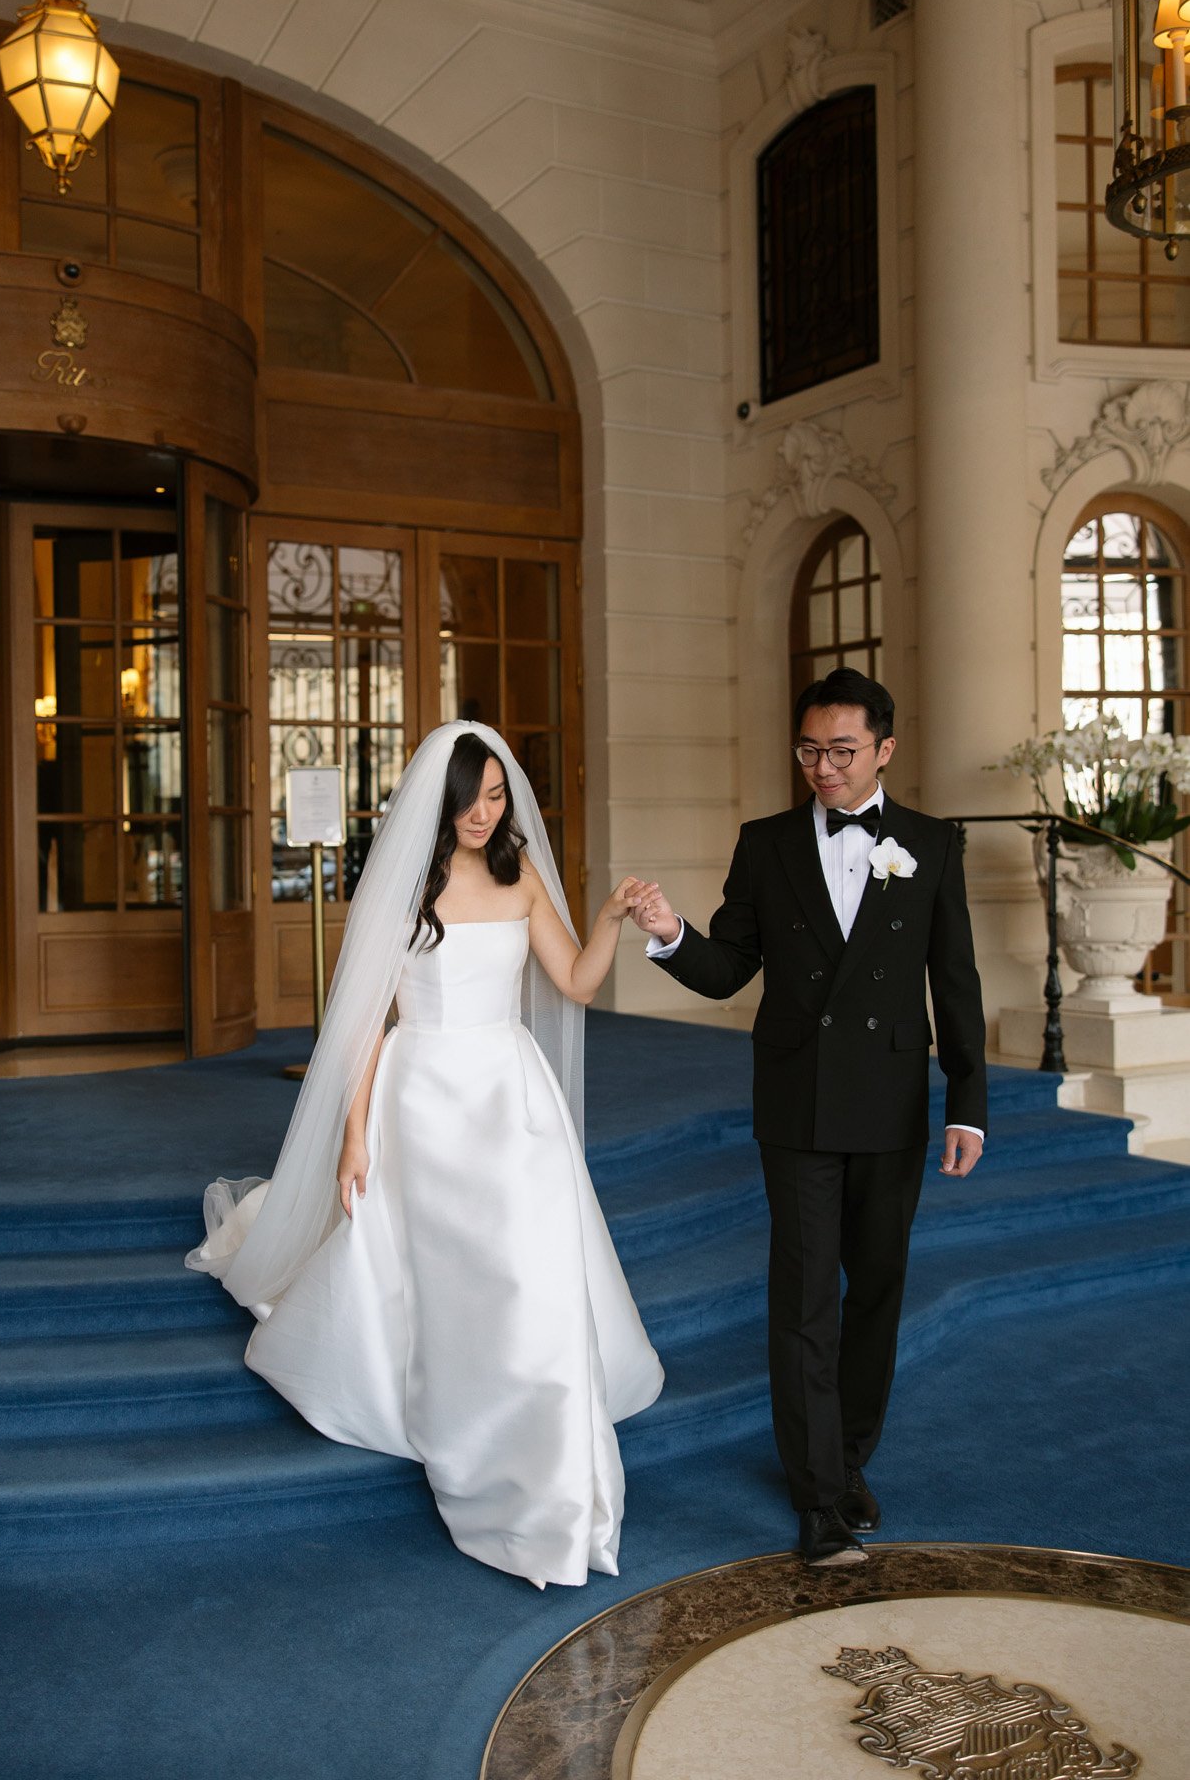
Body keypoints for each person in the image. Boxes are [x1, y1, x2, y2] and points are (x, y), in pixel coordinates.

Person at [187, 721, 663, 1588]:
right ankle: (462, 1412)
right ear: (437, 804)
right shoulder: (401, 891)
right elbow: (367, 1024)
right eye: (469, 799)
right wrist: (353, 1135)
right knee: (438, 1261)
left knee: (526, 1267)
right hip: (423, 1095)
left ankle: (543, 1438)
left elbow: (578, 983)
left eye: (495, 798)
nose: (483, 814)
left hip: (510, 1094)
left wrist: (605, 919)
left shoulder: (519, 883)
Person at [633, 667, 986, 1568]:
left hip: (892, 1100)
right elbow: (727, 970)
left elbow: (955, 982)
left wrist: (969, 1106)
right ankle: (818, 1497)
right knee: (801, 1302)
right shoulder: (766, 843)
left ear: (883, 750)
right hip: (794, 1100)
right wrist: (671, 932)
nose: (822, 769)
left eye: (840, 751)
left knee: (875, 1291)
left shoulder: (931, 845)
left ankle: (850, 1456)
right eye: (808, 751)